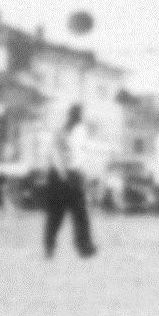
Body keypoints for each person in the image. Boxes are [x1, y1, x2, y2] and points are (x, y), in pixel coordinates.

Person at [41, 105, 99, 262]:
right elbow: (77, 155)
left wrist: (59, 170)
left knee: (55, 215)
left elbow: (55, 151)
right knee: (80, 214)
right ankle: (84, 248)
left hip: (57, 174)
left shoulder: (62, 129)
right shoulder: (80, 130)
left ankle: (49, 247)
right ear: (80, 115)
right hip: (71, 174)